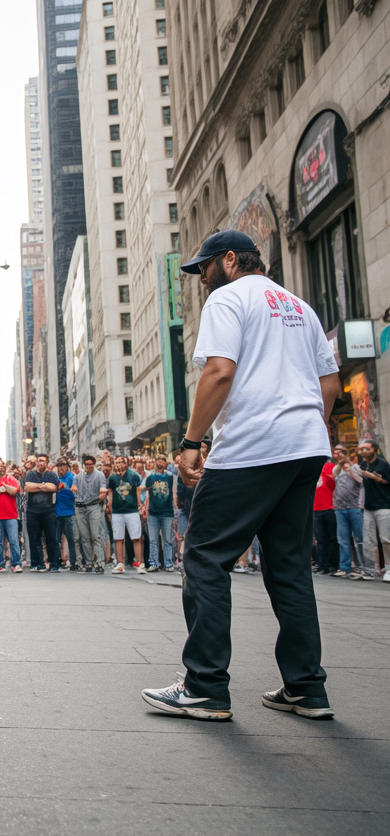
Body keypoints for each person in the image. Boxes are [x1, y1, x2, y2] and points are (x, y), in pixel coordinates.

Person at [143, 229, 340, 721]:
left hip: (254, 446)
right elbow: (329, 382)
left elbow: (219, 372)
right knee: (289, 567)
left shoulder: (229, 299)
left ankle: (205, 685)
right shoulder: (299, 307)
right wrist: (305, 429)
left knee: (206, 556)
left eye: (204, 268)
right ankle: (306, 687)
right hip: (306, 446)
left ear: (230, 260)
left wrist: (191, 443)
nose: (200, 280)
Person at [357, 439, 390, 582]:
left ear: (374, 449)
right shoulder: (363, 464)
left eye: (366, 448)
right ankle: (370, 569)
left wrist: (376, 478)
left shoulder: (383, 464)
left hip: (383, 505)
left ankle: (389, 568)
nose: (363, 451)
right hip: (368, 507)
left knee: (386, 539)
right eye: (361, 449)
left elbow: (388, 481)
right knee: (369, 539)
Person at [330, 447, 364, 577]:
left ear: (346, 455)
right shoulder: (336, 469)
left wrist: (350, 471)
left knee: (359, 538)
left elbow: (361, 482)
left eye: (340, 454)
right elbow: (334, 479)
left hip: (355, 507)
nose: (338, 456)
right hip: (340, 508)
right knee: (342, 539)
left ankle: (362, 566)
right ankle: (345, 567)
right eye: (336, 454)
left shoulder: (355, 468)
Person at [106, 456, 142, 575]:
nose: (118, 464)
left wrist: (139, 504)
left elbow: (138, 490)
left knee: (136, 537)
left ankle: (139, 563)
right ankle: (120, 563)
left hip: (131, 510)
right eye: (116, 462)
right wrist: (109, 506)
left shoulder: (133, 475)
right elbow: (110, 493)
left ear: (126, 463)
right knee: (118, 538)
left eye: (121, 461)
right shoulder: (112, 477)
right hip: (117, 511)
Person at [23, 454, 59, 572]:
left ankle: (54, 564)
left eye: (43, 461)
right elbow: (27, 487)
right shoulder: (30, 474)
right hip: (32, 510)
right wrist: (43, 485)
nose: (40, 463)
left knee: (51, 538)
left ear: (47, 463)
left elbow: (54, 487)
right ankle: (37, 563)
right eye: (38, 461)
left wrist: (37, 487)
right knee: (34, 538)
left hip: (49, 510)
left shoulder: (52, 474)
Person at [143, 455, 177, 572]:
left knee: (167, 540)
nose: (160, 463)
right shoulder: (150, 476)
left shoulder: (170, 476)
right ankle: (153, 563)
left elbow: (174, 491)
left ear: (166, 464)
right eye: (158, 461)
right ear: (154, 462)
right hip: (153, 513)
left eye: (162, 461)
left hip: (167, 512)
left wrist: (175, 508)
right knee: (153, 540)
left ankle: (168, 563)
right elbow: (143, 488)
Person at [74, 455, 107, 573]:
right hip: (80, 507)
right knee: (85, 537)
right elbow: (74, 490)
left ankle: (100, 563)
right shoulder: (78, 477)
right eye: (86, 464)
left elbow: (103, 489)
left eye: (90, 464)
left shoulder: (99, 475)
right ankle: (88, 562)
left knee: (96, 535)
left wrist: (101, 495)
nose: (88, 466)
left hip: (94, 506)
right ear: (84, 465)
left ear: (94, 464)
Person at [311, 455, 338, 575]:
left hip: (330, 506)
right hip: (316, 508)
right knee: (320, 539)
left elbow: (335, 484)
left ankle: (334, 564)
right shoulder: (313, 469)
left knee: (332, 538)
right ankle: (322, 564)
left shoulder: (331, 468)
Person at [54, 457, 79, 570]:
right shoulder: (55, 478)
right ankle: (56, 561)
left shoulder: (72, 477)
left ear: (67, 466)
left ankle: (73, 562)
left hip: (69, 512)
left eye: (63, 465)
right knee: (56, 539)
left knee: (71, 538)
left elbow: (75, 494)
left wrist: (66, 487)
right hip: (57, 512)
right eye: (59, 465)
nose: (61, 468)